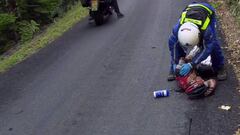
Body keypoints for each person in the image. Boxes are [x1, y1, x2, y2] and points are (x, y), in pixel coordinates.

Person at [167, 2, 227, 81]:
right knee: (175, 44)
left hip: (207, 10)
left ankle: (219, 67)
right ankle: (177, 65)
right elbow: (173, 46)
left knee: (213, 43)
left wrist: (192, 64)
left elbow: (207, 48)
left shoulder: (206, 30)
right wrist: (175, 63)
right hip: (190, 8)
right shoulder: (177, 29)